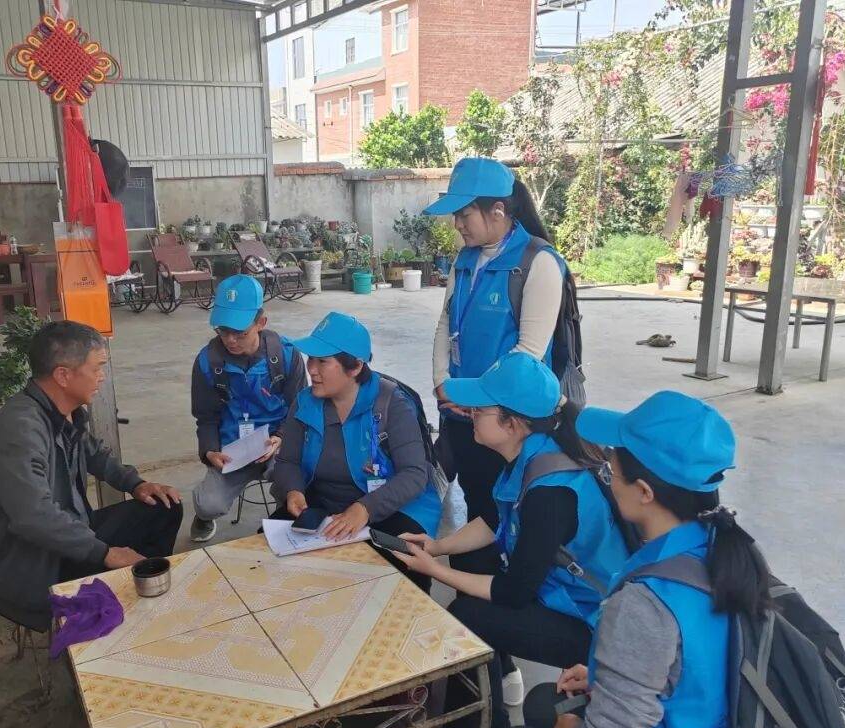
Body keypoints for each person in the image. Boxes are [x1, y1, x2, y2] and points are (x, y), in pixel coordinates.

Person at [496, 391, 767, 728]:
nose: (606, 473)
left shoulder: (645, 602)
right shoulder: (725, 552)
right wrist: (608, 674)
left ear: (643, 492)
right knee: (542, 702)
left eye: (611, 467)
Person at [391, 353, 628, 728]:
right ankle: (498, 676)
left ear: (513, 423)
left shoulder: (551, 493)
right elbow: (494, 519)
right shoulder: (534, 454)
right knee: (469, 558)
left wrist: (433, 569)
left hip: (595, 625)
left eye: (480, 410)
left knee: (466, 617)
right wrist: (438, 546)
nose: (470, 415)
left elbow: (514, 591)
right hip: (560, 592)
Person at [0, 321, 184, 632]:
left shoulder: (60, 410)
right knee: (108, 556)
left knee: (164, 505)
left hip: (67, 532)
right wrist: (105, 553)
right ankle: (109, 612)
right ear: (63, 375)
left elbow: (94, 454)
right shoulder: (20, 430)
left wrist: (136, 484)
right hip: (28, 562)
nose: (102, 376)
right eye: (97, 368)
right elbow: (34, 518)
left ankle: (143, 589)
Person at [426, 157, 572, 580]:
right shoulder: (464, 259)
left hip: (507, 420)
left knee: (503, 510)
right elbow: (445, 323)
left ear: (498, 210)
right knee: (476, 501)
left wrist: (481, 402)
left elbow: (529, 353)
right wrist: (442, 381)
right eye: (455, 215)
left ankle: (502, 597)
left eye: (464, 214)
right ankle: (470, 595)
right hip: (461, 410)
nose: (457, 224)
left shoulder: (537, 262)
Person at [271, 311, 442, 591]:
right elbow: (287, 461)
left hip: (391, 506)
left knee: (404, 569)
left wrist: (365, 509)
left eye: (323, 361)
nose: (311, 369)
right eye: (311, 358)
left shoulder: (392, 404)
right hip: (324, 505)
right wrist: (293, 491)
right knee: (270, 556)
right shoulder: (304, 402)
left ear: (355, 367)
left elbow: (414, 474)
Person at [189, 275, 306, 542]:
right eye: (223, 330)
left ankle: (283, 518)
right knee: (208, 504)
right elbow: (205, 416)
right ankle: (204, 518)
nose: (230, 340)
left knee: (296, 486)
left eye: (240, 332)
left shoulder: (286, 355)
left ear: (261, 322)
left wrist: (281, 437)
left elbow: (300, 409)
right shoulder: (208, 362)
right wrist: (210, 451)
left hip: (276, 445)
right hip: (232, 451)